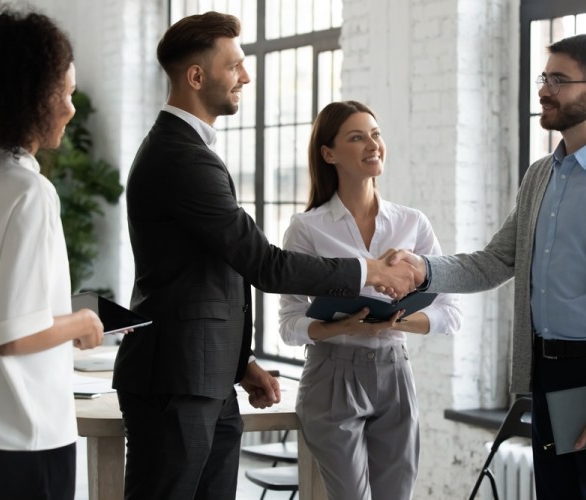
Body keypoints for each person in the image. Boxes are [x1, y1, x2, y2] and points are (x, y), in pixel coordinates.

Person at [113, 12, 418, 500]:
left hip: (206, 376)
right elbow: (262, 264)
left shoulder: (190, 150)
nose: (246, 77)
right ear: (196, 77)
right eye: (234, 65)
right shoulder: (180, 156)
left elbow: (213, 276)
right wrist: (368, 269)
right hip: (176, 379)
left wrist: (239, 363)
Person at [391, 33, 586, 499]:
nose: (544, 90)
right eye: (545, 77)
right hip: (547, 375)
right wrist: (423, 268)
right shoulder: (541, 174)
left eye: (559, 80)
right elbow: (497, 260)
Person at [278, 100, 462, 500]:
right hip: (331, 377)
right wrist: (342, 327)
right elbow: (289, 323)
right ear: (329, 153)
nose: (372, 144)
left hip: (394, 372)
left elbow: (450, 310)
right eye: (357, 137)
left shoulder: (412, 223)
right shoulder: (307, 229)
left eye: (375, 134)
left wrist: (393, 322)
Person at [0, 6, 105, 500]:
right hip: (27, 434)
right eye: (64, 92)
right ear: (32, 97)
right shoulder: (28, 191)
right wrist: (82, 323)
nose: (71, 107)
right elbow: (15, 334)